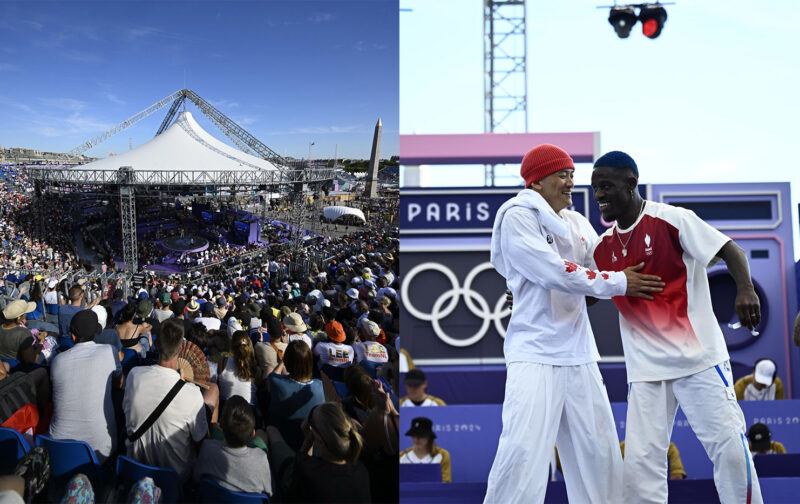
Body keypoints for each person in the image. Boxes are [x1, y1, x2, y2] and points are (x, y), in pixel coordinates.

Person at [484, 144, 664, 504]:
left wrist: (661, 255)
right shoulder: (517, 215)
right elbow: (554, 272)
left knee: (601, 456)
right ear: (537, 181)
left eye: (571, 175)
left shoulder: (578, 223)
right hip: (534, 354)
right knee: (522, 454)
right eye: (562, 175)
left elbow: (603, 268)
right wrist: (619, 282)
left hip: (579, 355)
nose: (570, 183)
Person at [588, 150, 764, 503]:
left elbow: (731, 251)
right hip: (646, 371)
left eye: (606, 186)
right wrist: (534, 295)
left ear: (631, 184)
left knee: (729, 450)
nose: (599, 196)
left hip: (697, 360)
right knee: (640, 468)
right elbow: (586, 293)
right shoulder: (602, 248)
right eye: (595, 189)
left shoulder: (671, 219)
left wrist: (745, 289)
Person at [123, 318, 208, 483]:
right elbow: (200, 443)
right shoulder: (193, 394)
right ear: (182, 349)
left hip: (136, 469)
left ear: (155, 345)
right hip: (175, 479)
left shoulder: (134, 375)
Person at [48, 309, 121, 463]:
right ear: (95, 333)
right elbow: (118, 383)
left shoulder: (57, 361)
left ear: (73, 336)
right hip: (100, 451)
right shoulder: (109, 351)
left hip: (58, 450)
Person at [266, 401, 370, 503]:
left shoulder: (309, 471)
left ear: (320, 440)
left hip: (291, 477)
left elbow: (299, 465)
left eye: (312, 421)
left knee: (271, 430)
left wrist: (308, 440)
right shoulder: (361, 471)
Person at [193, 395, 272, 495]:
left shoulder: (207, 447)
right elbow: (269, 493)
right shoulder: (261, 458)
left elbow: (197, 479)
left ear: (221, 426)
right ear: (253, 433)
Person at [268, 340, 325, 450]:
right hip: (310, 443)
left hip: (283, 440)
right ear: (310, 362)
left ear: (287, 362)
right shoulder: (321, 386)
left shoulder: (276, 382)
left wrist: (283, 361)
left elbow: (273, 375)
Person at [399, 416, 452, 483]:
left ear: (429, 437)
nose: (417, 439)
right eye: (414, 435)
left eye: (422, 435)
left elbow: (446, 483)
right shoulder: (402, 456)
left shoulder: (443, 455)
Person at [218, 331, 257, 404]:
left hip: (226, 409)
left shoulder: (223, 361)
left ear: (232, 345)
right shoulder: (254, 366)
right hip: (248, 411)